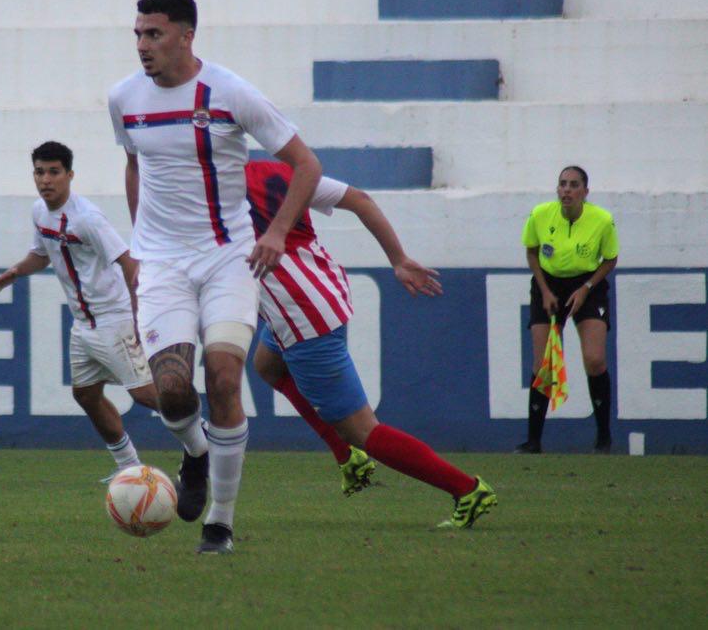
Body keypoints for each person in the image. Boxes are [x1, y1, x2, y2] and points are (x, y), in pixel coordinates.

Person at [108, 0, 321, 554]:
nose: (142, 45)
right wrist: (139, 245)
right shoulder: (123, 99)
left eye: (153, 34)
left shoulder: (229, 92)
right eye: (137, 34)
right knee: (174, 392)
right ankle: (197, 455)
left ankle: (220, 525)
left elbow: (306, 164)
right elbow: (134, 163)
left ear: (186, 35)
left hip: (228, 257)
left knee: (225, 377)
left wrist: (275, 232)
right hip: (162, 265)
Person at [246, 158, 498, 529]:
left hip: (301, 315)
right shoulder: (277, 171)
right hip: (322, 289)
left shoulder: (212, 192)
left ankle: (466, 489)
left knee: (364, 430)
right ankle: (346, 454)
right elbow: (361, 199)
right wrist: (398, 259)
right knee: (267, 364)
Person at [0, 141, 162, 482]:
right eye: (40, 172)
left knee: (144, 394)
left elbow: (130, 265)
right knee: (85, 393)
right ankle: (129, 467)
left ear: (70, 175)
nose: (46, 180)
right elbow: (41, 254)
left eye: (54, 172)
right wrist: (15, 271)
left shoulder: (88, 219)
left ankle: (206, 436)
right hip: (83, 325)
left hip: (114, 318)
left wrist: (141, 317)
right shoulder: (39, 211)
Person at [516, 165, 619, 454]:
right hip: (547, 284)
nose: (567, 190)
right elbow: (532, 252)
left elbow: (610, 259)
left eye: (574, 185)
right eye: (562, 184)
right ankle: (533, 441)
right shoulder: (540, 215)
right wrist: (546, 291)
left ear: (585, 192)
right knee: (543, 364)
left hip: (587, 284)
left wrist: (586, 288)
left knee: (595, 359)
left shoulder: (602, 220)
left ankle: (603, 439)